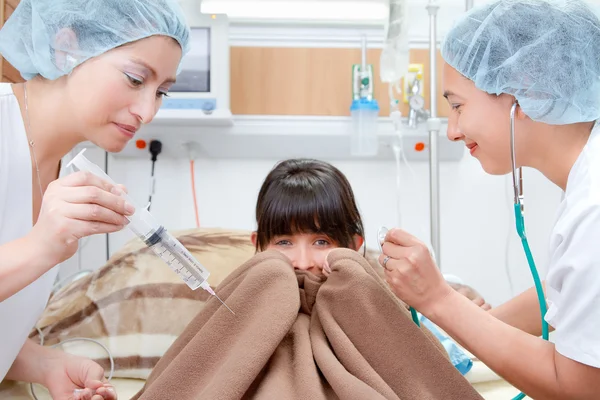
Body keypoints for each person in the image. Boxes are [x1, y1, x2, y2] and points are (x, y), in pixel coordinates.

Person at [379, 0, 600, 399]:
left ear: (525, 91)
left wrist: (439, 300)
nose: (452, 131)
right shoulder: (588, 177)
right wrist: (465, 332)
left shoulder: (595, 210)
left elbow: (579, 388)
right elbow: (570, 290)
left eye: (458, 106)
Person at [0, 0, 190, 398]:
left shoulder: (65, 176)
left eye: (162, 93)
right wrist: (41, 247)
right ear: (66, 46)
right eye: (136, 79)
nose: (147, 110)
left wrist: (45, 364)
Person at [251, 158, 489, 306]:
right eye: (283, 242)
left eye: (321, 242)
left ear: (354, 246)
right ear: (258, 245)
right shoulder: (242, 300)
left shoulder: (386, 299)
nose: (302, 263)